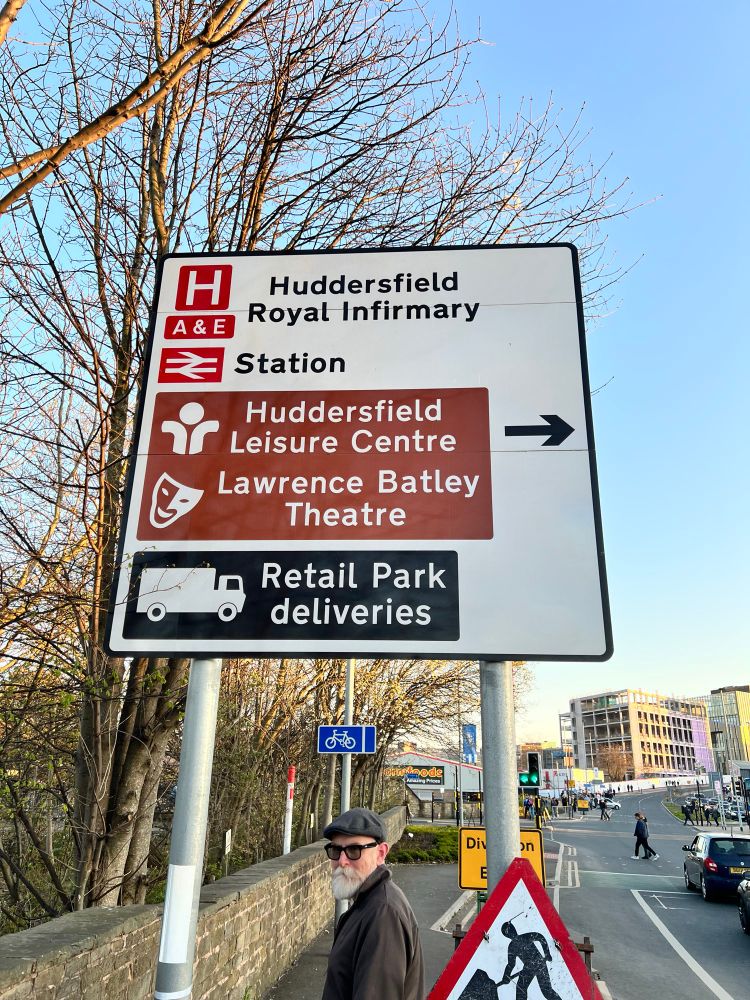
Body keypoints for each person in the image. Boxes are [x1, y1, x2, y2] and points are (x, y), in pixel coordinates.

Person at [321, 807, 425, 1000]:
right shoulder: (368, 903)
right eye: (336, 850)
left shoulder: (383, 914)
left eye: (354, 850)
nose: (342, 861)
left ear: (381, 853)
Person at [498, 920, 562, 1000]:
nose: (511, 932)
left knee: (544, 991)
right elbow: (511, 964)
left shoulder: (519, 941)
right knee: (523, 989)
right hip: (533, 965)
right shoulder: (513, 946)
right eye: (508, 932)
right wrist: (506, 976)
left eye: (510, 930)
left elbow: (540, 937)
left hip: (537, 964)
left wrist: (547, 953)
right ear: (507, 935)